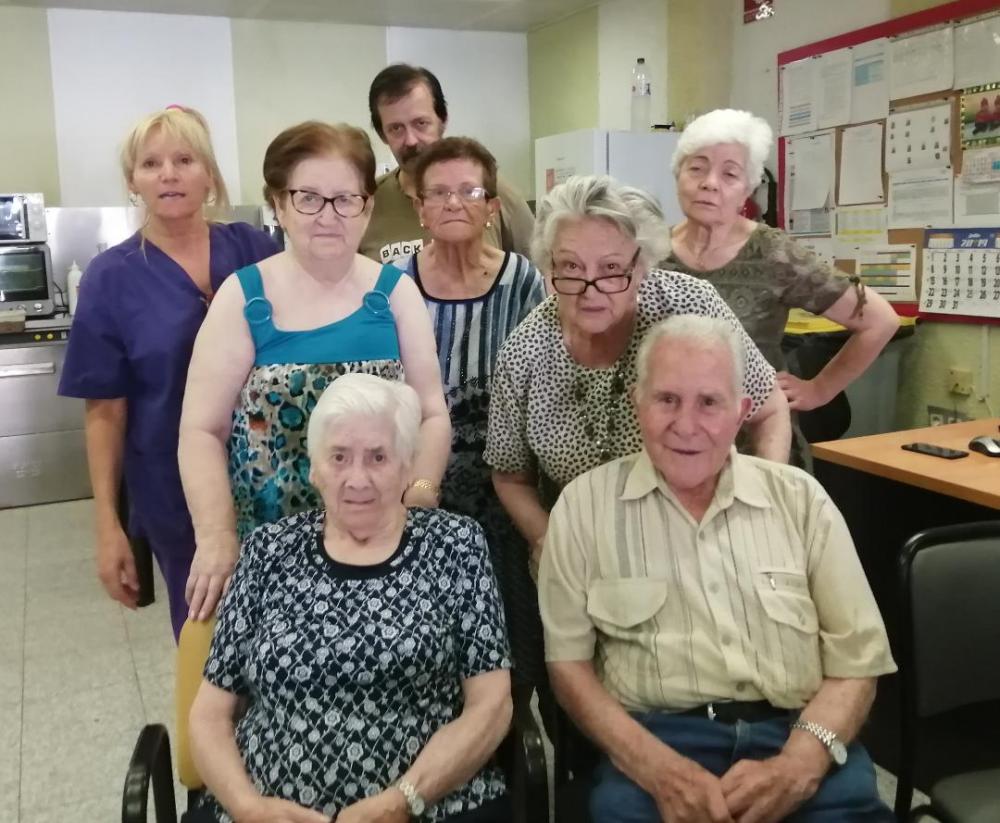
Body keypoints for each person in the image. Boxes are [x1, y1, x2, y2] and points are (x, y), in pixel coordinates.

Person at [540, 314, 897, 823]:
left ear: (741, 412)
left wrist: (800, 763)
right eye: (667, 399)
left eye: (709, 402)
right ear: (637, 403)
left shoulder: (800, 501)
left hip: (799, 737)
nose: (686, 425)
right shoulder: (583, 508)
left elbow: (858, 662)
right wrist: (658, 770)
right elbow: (568, 669)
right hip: (657, 747)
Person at [188, 374, 512, 823]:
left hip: (432, 804)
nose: (357, 479)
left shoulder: (456, 545)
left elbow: (492, 705)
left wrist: (404, 801)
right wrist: (248, 808)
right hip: (265, 807)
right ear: (314, 469)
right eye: (339, 457)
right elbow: (209, 715)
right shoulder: (267, 551)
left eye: (378, 457)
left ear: (406, 466)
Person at [178, 121, 450, 623]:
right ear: (278, 205)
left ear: (367, 207)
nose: (328, 216)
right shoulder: (245, 298)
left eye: (345, 199)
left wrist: (419, 497)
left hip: (383, 545)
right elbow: (201, 430)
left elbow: (432, 414)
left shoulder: (394, 295)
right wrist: (215, 535)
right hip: (270, 549)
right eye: (308, 198)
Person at [485, 175, 790, 576]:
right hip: (588, 557)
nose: (590, 290)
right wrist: (549, 540)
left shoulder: (689, 307)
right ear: (548, 265)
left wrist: (761, 508)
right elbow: (510, 477)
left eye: (612, 268)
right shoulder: (526, 351)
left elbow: (769, 408)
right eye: (571, 267)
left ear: (642, 265)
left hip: (709, 541)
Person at [58, 105, 276, 640]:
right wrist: (108, 525)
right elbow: (105, 411)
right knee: (208, 637)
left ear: (210, 175)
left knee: (288, 630)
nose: (169, 175)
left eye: (184, 159)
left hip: (276, 476)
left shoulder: (254, 250)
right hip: (172, 491)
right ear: (133, 181)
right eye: (151, 164)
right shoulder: (111, 278)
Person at [664, 108, 899, 465]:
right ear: (678, 174)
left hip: (756, 447)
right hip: (667, 444)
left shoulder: (774, 254)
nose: (710, 183)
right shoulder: (650, 251)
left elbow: (880, 321)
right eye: (696, 168)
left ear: (746, 190)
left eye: (730, 173)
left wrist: (819, 389)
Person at [394, 136, 546, 684]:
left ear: (492, 207)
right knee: (437, 632)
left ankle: (515, 722)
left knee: (518, 629)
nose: (453, 203)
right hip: (423, 484)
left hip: (510, 480)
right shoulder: (397, 285)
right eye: (438, 193)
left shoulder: (522, 279)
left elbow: (543, 376)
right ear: (419, 208)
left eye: (469, 191)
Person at [360, 63, 535, 265]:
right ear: (382, 135)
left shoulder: (494, 193)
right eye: (396, 129)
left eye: (421, 123)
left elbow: (542, 272)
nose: (411, 141)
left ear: (443, 120)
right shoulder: (365, 206)